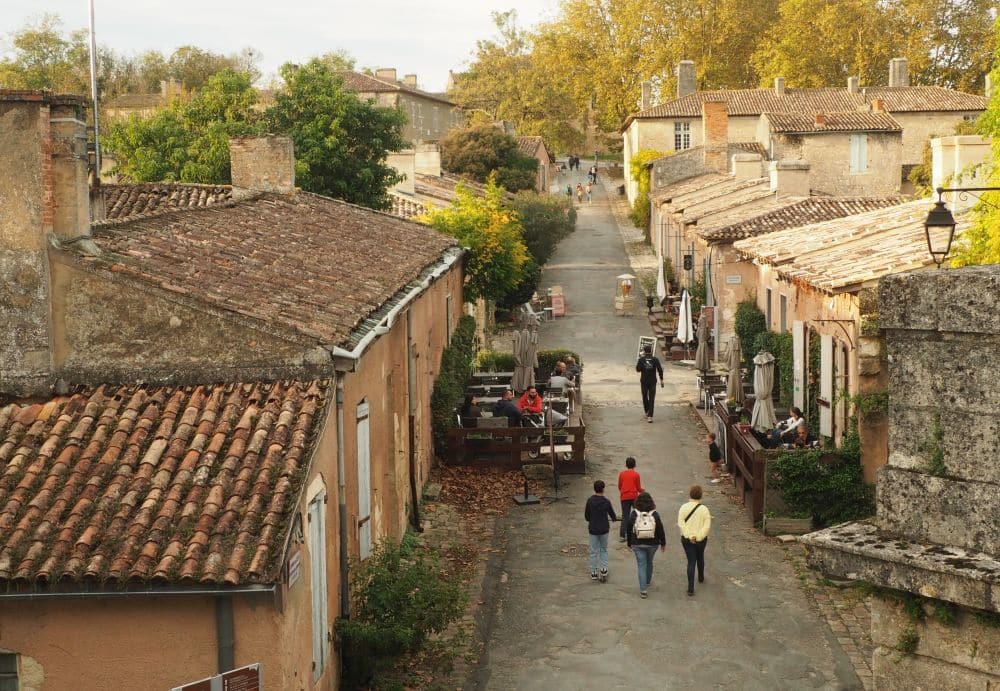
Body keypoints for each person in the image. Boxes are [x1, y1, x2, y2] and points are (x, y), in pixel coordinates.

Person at [625, 491, 666, 598]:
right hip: (653, 544)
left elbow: (629, 528)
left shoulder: (634, 513)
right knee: (649, 562)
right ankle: (647, 581)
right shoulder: (654, 514)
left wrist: (629, 543)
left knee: (641, 565)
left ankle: (643, 590)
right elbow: (660, 529)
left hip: (637, 543)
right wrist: (663, 543)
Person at [678, 485, 712, 596]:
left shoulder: (683, 507)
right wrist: (698, 537)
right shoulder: (704, 509)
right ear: (701, 495)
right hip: (701, 540)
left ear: (690, 494)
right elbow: (706, 526)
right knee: (700, 556)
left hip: (687, 539)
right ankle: (701, 576)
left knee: (691, 561)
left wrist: (689, 536)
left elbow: (681, 523)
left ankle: (690, 588)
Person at [584, 480, 617, 582]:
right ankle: (603, 569)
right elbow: (612, 515)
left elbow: (586, 516)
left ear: (594, 489)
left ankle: (593, 572)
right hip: (604, 529)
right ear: (603, 489)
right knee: (603, 549)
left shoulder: (590, 501)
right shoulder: (606, 502)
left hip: (593, 529)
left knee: (593, 551)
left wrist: (591, 520)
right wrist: (614, 518)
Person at [635, 344, 664, 423]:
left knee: (644, 397)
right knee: (652, 398)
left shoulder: (641, 359)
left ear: (644, 351)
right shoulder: (655, 359)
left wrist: (640, 362)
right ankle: (650, 416)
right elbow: (660, 370)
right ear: (651, 350)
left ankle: (647, 411)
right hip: (652, 381)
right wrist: (661, 379)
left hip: (644, 381)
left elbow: (637, 370)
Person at [617, 457, 644, 542]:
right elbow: (638, 488)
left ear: (626, 465)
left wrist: (623, 492)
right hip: (634, 497)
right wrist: (643, 490)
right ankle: (639, 532)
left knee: (625, 516)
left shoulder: (622, 474)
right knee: (638, 514)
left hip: (624, 497)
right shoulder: (636, 475)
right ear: (635, 465)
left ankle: (622, 536)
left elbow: (619, 486)